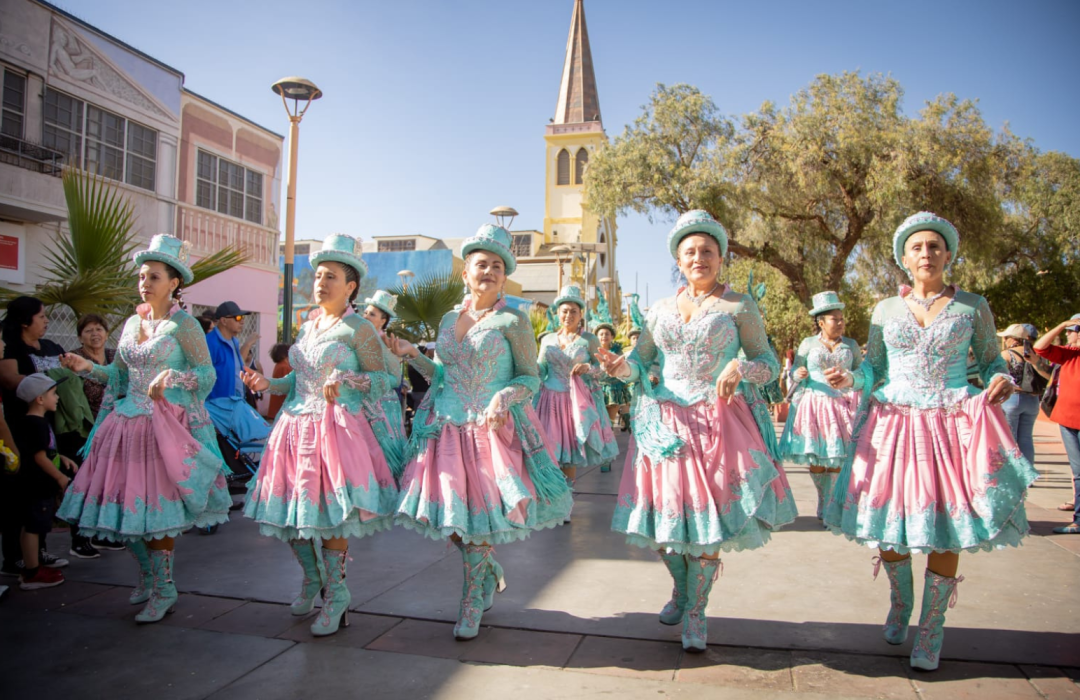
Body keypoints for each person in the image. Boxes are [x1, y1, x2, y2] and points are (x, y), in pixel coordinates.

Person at [823, 212, 1038, 671]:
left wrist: (1000, 379)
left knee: (946, 523)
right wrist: (850, 379)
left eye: (934, 246)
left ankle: (932, 628)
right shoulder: (885, 309)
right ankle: (901, 602)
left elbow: (991, 361)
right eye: (917, 247)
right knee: (888, 523)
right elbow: (874, 369)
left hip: (951, 424)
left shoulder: (973, 306)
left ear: (948, 254)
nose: (926, 253)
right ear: (904, 258)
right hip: (892, 426)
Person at [596, 210, 797, 653]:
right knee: (665, 519)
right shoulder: (660, 309)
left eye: (707, 250)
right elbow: (642, 363)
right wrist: (621, 367)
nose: (699, 258)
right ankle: (683, 589)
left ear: (721, 258)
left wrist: (740, 367)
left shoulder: (739, 305)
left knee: (708, 522)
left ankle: (696, 611)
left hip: (719, 425)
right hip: (665, 427)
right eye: (690, 251)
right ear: (679, 260)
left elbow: (767, 365)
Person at [389, 224, 572, 641]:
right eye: (480, 264)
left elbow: (530, 378)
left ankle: (471, 601)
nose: (488, 271)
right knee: (452, 518)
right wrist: (413, 354)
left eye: (496, 266)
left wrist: (503, 397)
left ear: (504, 276)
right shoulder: (448, 319)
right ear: (466, 272)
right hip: (445, 428)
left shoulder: (513, 320)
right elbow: (440, 376)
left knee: (477, 521)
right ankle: (488, 569)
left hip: (490, 431)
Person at [58, 234, 233, 624]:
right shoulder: (133, 322)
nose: (145, 283)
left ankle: (165, 589)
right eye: (141, 276)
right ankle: (149, 578)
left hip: (162, 429)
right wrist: (87, 367)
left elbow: (206, 375)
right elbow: (118, 376)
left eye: (154, 276)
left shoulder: (185, 325)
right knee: (125, 509)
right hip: (124, 426)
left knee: (156, 514)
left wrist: (170, 378)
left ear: (174, 283)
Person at [241, 234, 399, 637]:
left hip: (335, 432)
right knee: (289, 514)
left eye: (331, 277)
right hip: (293, 428)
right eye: (318, 275)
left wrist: (345, 380)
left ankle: (337, 594)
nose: (321, 282)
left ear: (350, 287)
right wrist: (268, 383)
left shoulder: (359, 328)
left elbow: (383, 380)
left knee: (329, 518)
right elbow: (297, 381)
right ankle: (313, 578)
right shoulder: (309, 325)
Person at [778, 291, 868, 521]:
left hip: (843, 407)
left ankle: (832, 507)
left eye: (842, 319)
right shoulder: (808, 344)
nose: (840, 323)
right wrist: (798, 373)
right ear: (821, 322)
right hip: (814, 406)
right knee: (817, 460)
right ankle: (823, 499)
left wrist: (851, 378)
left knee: (838, 459)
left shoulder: (851, 345)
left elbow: (862, 372)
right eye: (834, 319)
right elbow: (795, 371)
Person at [0, 296, 70, 577]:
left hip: (50, 424)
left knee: (42, 498)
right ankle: (15, 557)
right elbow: (9, 379)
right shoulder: (11, 347)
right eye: (41, 316)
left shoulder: (51, 346)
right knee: (21, 496)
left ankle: (38, 552)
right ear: (24, 321)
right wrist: (41, 384)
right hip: (22, 427)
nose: (46, 321)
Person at [537, 285, 619, 483]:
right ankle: (556, 495)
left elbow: (603, 370)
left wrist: (588, 368)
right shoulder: (547, 339)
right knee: (550, 451)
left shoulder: (589, 339)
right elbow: (541, 369)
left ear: (581, 314)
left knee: (571, 453)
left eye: (574, 311)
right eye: (564, 311)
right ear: (557, 313)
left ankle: (568, 496)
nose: (569, 315)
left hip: (576, 404)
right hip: (549, 402)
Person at [65, 313, 123, 558]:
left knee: (108, 483)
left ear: (107, 333)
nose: (95, 334)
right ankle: (79, 539)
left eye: (99, 329)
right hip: (85, 432)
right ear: (80, 337)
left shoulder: (115, 357)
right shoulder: (74, 358)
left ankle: (102, 534)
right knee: (84, 483)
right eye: (88, 330)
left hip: (114, 429)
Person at [14, 374, 77, 589]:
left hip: (36, 485)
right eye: (53, 393)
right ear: (40, 399)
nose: (57, 397)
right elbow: (39, 457)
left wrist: (62, 458)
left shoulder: (37, 422)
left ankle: (31, 567)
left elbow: (45, 451)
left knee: (32, 526)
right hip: (37, 485)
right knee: (33, 527)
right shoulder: (36, 424)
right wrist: (60, 477)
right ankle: (32, 573)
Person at [1034, 315, 1080, 534]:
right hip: (1067, 420)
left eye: (1072, 330)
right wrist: (1061, 325)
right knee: (1078, 472)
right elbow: (1040, 347)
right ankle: (1078, 520)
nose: (1068, 334)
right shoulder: (1069, 354)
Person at [205, 301, 270, 447]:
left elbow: (236, 367)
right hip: (217, 408)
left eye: (243, 318)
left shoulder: (233, 341)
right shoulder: (210, 343)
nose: (242, 321)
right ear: (223, 321)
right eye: (237, 318)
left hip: (235, 405)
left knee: (255, 442)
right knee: (264, 438)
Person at [359, 290, 408, 477]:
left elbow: (396, 377)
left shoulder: (385, 343)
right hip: (362, 404)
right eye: (365, 312)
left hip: (382, 407)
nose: (365, 316)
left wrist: (369, 382)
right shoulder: (360, 339)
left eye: (372, 314)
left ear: (383, 320)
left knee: (385, 455)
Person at [997, 323, 1051, 467]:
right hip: (1033, 400)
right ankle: (1028, 473)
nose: (1005, 340)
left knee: (1009, 438)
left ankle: (1014, 473)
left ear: (1014, 339)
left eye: (1006, 337)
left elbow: (1000, 377)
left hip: (1012, 398)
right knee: (1026, 438)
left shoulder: (1007, 354)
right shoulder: (1037, 355)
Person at [594, 322, 631, 436]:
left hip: (614, 388)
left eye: (607, 334)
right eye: (601, 334)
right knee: (597, 420)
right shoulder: (592, 351)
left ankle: (609, 440)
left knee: (610, 421)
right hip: (597, 388)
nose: (604, 336)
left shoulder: (617, 351)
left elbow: (622, 366)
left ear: (612, 337)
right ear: (597, 337)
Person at [265, 343, 293, 421]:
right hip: (281, 407)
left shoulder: (279, 365)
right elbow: (288, 387)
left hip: (278, 408)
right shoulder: (284, 367)